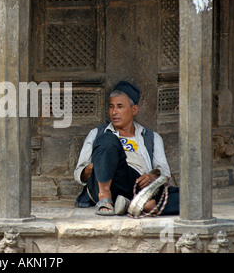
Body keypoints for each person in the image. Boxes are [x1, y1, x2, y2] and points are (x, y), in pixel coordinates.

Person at [74, 81, 172, 216]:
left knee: (182, 196)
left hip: (135, 184)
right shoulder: (98, 134)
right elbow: (79, 174)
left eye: (120, 106)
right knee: (107, 139)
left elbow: (166, 174)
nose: (114, 112)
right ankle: (105, 198)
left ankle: (130, 203)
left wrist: (151, 177)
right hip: (102, 182)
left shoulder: (152, 137)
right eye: (111, 107)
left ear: (134, 110)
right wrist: (93, 167)